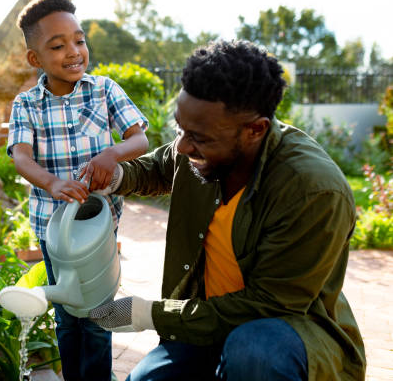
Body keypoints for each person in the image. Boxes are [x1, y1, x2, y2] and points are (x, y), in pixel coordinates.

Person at [89, 40, 366, 380]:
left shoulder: (313, 190)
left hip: (285, 334)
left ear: (256, 130)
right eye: (180, 129)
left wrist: (147, 314)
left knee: (253, 352)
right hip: (203, 322)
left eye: (199, 138)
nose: (182, 146)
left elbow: (266, 305)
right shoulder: (200, 144)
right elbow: (160, 167)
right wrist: (110, 176)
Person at [7, 0, 149, 381]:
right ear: (35, 58)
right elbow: (20, 156)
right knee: (69, 314)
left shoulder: (104, 90)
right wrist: (52, 183)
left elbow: (140, 139)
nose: (73, 51)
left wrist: (112, 155)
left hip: (101, 229)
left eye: (79, 40)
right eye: (58, 45)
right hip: (55, 231)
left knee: (99, 315)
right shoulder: (27, 104)